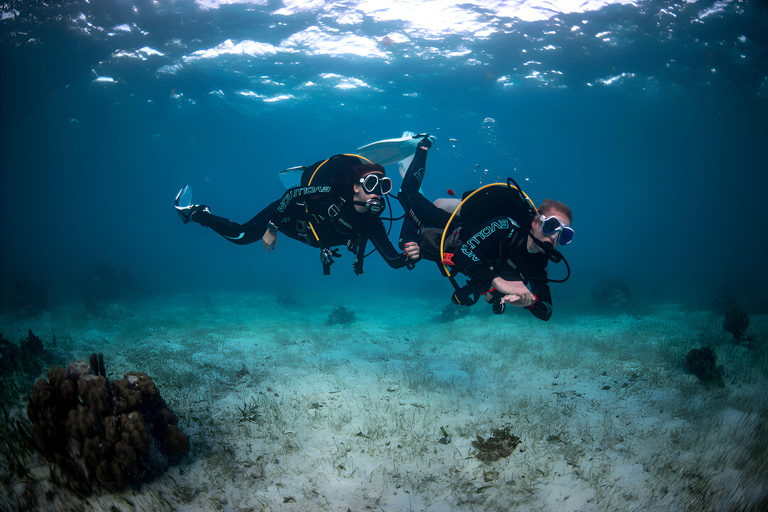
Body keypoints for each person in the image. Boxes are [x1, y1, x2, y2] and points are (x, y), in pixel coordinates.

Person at [397, 136, 573, 321]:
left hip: (471, 250)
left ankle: (442, 201)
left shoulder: (538, 262)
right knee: (407, 194)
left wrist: (529, 303)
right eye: (551, 226)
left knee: (430, 207)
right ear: (536, 221)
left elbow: (547, 311)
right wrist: (500, 283)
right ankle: (422, 145)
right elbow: (463, 254)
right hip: (455, 230)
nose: (555, 236)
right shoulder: (505, 225)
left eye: (564, 235)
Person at [176, 154, 420, 275]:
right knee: (240, 236)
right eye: (370, 184)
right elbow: (292, 195)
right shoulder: (329, 192)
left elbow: (394, 261)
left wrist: (412, 253)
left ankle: (197, 214)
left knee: (241, 237)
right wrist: (272, 228)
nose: (377, 193)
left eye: (383, 187)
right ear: (356, 187)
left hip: (312, 236)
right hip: (287, 216)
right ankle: (196, 213)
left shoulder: (372, 224)